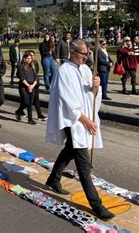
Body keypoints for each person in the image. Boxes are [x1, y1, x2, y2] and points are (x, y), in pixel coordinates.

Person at [45, 39, 114, 220]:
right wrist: (85, 120)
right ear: (72, 52)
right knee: (83, 164)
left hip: (85, 119)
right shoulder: (64, 72)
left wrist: (96, 88)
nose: (86, 57)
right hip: (73, 121)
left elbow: (90, 97)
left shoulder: (85, 69)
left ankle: (53, 179)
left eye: (87, 54)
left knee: (70, 150)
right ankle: (96, 205)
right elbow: (68, 101)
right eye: (83, 54)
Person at [15, 51, 45, 124]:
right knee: (26, 101)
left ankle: (30, 119)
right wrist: (28, 86)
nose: (29, 60)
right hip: (24, 86)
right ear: (24, 58)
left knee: (30, 103)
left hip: (32, 86)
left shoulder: (33, 65)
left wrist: (32, 85)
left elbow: (36, 77)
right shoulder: (20, 66)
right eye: (27, 58)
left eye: (30, 58)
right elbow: (22, 78)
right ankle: (18, 111)